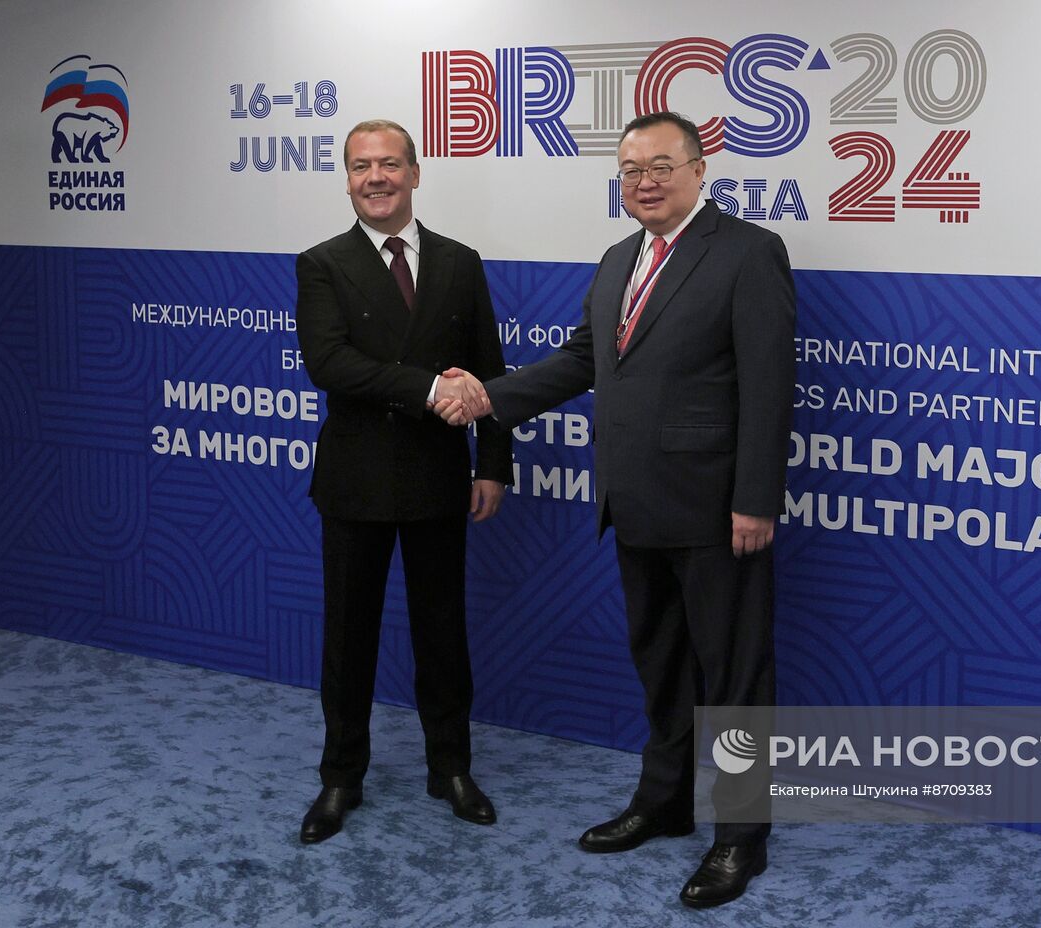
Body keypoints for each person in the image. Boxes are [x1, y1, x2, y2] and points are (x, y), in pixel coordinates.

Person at [437, 111, 795, 907]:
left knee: (735, 679)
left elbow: (770, 386)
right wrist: (488, 396)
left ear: (699, 170)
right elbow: (581, 360)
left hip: (717, 512)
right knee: (661, 665)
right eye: (631, 170)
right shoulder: (618, 259)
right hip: (633, 504)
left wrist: (754, 500)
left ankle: (742, 836)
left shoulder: (748, 252)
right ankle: (664, 802)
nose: (645, 182)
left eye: (662, 166)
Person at [293, 119, 511, 844]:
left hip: (437, 478)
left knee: (443, 634)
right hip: (355, 481)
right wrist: (427, 389)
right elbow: (330, 364)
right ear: (347, 180)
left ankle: (451, 768)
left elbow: (489, 372)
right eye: (361, 167)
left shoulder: (459, 261)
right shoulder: (322, 263)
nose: (376, 178)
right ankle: (340, 777)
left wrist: (493, 462)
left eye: (389, 164)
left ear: (415, 174)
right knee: (348, 639)